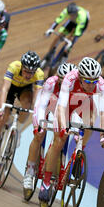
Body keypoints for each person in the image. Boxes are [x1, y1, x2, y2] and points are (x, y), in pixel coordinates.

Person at [37, 57, 104, 204]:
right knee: (59, 141)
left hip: (83, 103)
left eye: (94, 82)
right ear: (80, 77)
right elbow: (61, 107)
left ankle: (80, 150)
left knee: (91, 121)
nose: (92, 85)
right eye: (88, 82)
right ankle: (45, 183)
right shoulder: (70, 79)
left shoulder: (101, 85)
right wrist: (64, 128)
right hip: (66, 105)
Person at [0, 51, 44, 172]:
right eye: (26, 71)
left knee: (27, 104)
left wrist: (37, 113)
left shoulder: (39, 74)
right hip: (10, 89)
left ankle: (18, 130)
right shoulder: (14, 66)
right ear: (22, 67)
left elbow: (37, 97)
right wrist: (1, 108)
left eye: (32, 72)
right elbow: (4, 88)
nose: (28, 75)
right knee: (2, 119)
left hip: (25, 89)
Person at [23, 63, 76, 198]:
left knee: (63, 134)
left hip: (62, 109)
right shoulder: (50, 83)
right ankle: (30, 171)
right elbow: (41, 106)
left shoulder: (75, 85)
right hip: (45, 106)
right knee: (39, 135)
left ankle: (52, 171)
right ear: (58, 78)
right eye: (63, 81)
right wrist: (40, 125)